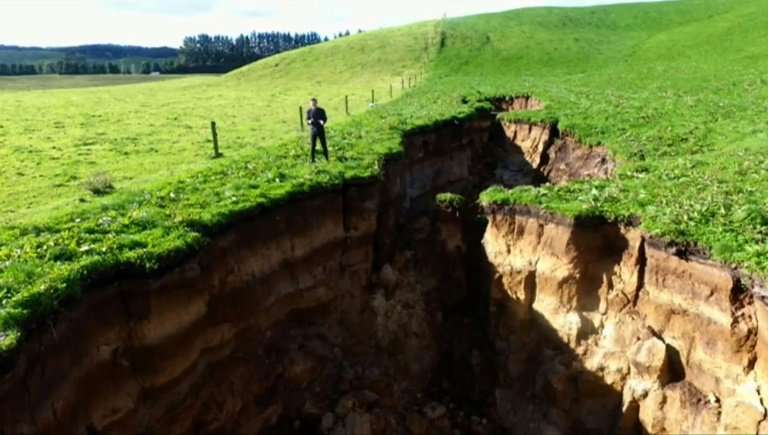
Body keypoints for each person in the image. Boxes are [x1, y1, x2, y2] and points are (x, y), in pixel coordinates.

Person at [306, 98, 329, 162]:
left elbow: (325, 118)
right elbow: (307, 120)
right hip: (313, 130)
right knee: (312, 145)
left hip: (320, 129)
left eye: (314, 103)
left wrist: (322, 122)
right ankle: (312, 160)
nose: (313, 104)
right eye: (312, 103)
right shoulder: (309, 111)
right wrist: (310, 121)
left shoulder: (321, 110)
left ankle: (327, 159)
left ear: (316, 103)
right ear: (310, 104)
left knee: (323, 144)